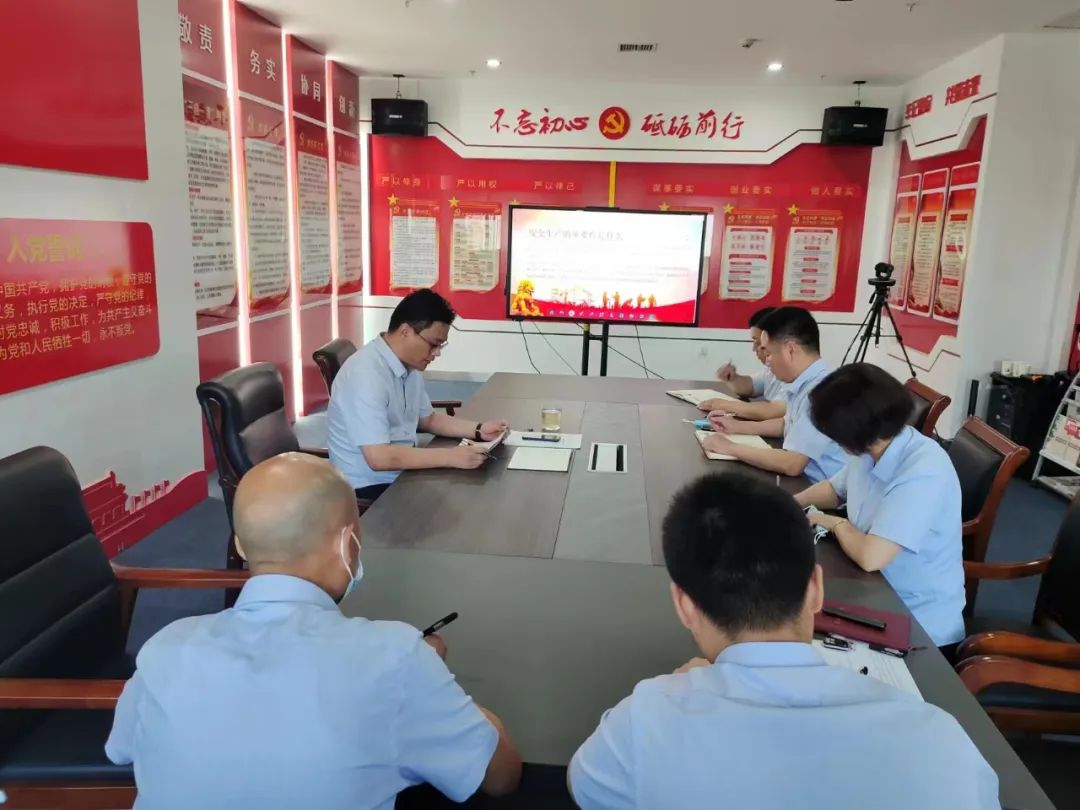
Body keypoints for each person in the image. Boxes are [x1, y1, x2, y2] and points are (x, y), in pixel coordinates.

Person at [106, 453, 522, 809]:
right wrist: (434, 684)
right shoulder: (395, 658)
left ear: (240, 546)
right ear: (348, 543)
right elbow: (502, 777)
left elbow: (122, 749)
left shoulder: (166, 646)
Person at [568, 473, 998, 810]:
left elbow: (583, 784)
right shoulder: (940, 740)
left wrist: (674, 692)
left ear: (684, 605)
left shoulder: (643, 726)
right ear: (816, 590)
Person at [794, 363, 966, 651]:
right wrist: (791, 503)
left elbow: (872, 556)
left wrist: (833, 522)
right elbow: (835, 490)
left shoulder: (924, 469)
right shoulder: (873, 447)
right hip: (872, 591)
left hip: (917, 624)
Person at [327, 289, 510, 502]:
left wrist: (479, 430)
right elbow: (379, 458)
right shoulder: (365, 374)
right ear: (405, 331)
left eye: (441, 345)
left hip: (401, 472)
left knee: (474, 490)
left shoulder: (408, 365)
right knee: (466, 499)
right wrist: (450, 456)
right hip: (367, 487)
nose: (437, 353)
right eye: (433, 344)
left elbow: (427, 419)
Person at [702, 306, 846, 482]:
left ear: (790, 350)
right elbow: (787, 424)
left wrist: (730, 448)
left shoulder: (820, 390)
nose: (767, 361)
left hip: (817, 487)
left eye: (769, 353)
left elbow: (792, 463)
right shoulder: (806, 381)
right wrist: (736, 427)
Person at [699, 306, 787, 421]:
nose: (754, 349)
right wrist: (732, 378)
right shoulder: (772, 368)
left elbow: (772, 411)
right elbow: (751, 387)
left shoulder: (798, 376)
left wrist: (722, 405)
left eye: (759, 342)